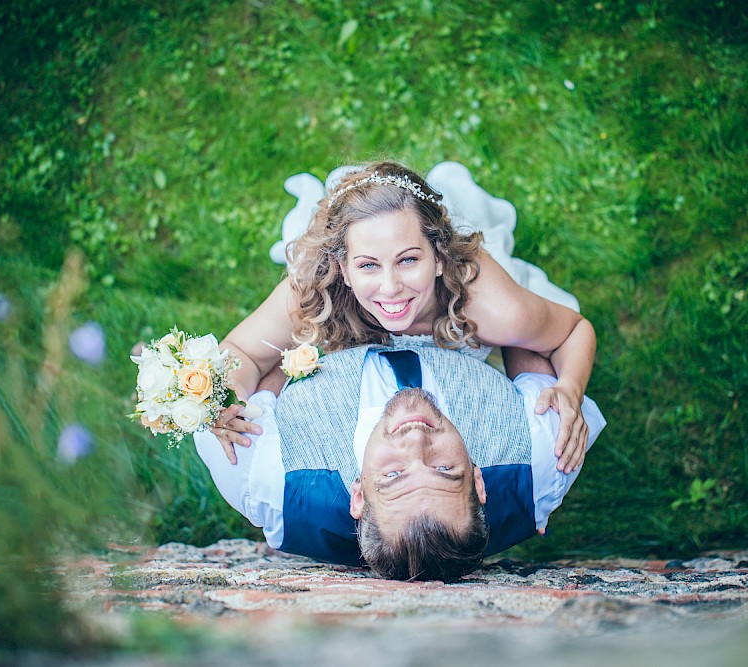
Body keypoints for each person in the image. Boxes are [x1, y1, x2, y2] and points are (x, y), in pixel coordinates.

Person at [212, 161, 597, 479]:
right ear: (343, 268)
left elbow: (574, 331)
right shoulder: (315, 289)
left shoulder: (489, 306)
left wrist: (569, 388)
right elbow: (241, 352)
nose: (391, 287)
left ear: (440, 256)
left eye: (408, 260)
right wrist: (232, 402)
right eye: (368, 266)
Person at [194, 341, 606, 581]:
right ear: (480, 485)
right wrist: (484, 307)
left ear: (357, 494)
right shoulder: (540, 461)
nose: (416, 441)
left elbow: (258, 375)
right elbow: (534, 344)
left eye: (392, 475)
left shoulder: (265, 479)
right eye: (445, 470)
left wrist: (315, 303)